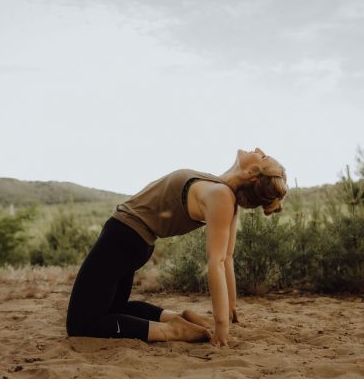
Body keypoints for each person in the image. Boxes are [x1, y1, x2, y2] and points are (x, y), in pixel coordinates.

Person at [66, 148, 287, 347]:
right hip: (132, 241)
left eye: (263, 156)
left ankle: (171, 330)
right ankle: (177, 317)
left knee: (80, 325)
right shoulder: (220, 189)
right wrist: (230, 308)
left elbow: (219, 261)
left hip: (123, 237)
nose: (258, 149)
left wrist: (222, 327)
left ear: (252, 173)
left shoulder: (222, 197)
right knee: (114, 311)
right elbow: (227, 258)